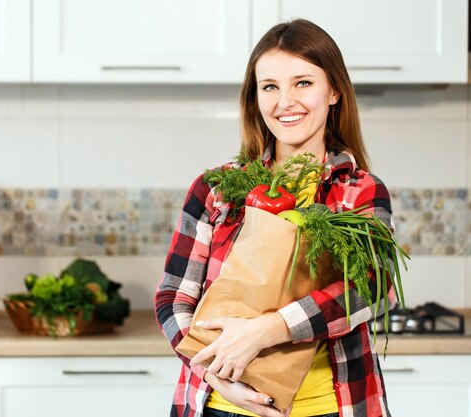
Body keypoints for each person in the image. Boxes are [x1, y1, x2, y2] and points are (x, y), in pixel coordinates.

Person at [154, 19, 395, 417]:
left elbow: (374, 287)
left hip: (331, 405)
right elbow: (173, 296)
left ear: (333, 90)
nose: (285, 101)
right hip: (218, 405)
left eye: (303, 83)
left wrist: (267, 330)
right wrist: (214, 373)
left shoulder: (359, 191)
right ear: (256, 98)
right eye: (270, 87)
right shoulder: (217, 189)